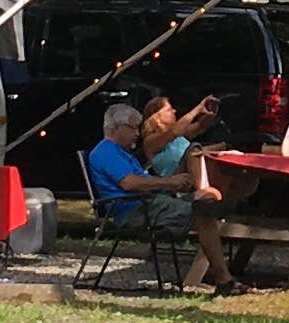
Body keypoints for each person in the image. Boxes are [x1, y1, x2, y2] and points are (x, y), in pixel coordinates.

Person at [81, 98, 215, 287]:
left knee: (207, 204)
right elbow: (130, 184)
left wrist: (172, 184)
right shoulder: (105, 152)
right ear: (117, 127)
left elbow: (144, 181)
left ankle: (217, 272)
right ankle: (221, 277)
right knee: (204, 213)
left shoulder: (124, 153)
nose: (137, 134)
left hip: (149, 203)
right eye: (133, 129)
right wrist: (168, 182)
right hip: (135, 211)